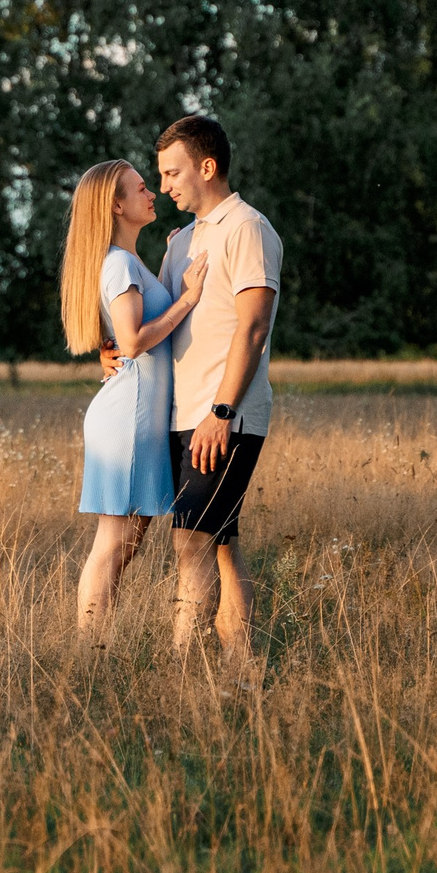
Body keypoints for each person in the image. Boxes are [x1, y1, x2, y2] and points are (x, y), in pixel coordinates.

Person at [109, 114, 282, 660]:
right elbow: (159, 319)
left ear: (207, 167)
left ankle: (182, 669)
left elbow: (252, 327)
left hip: (224, 417)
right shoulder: (180, 240)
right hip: (179, 416)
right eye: (159, 176)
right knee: (221, 544)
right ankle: (242, 670)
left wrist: (221, 411)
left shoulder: (249, 228)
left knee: (191, 541)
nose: (164, 186)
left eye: (172, 172)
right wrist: (112, 348)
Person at [60, 159, 209, 631]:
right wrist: (187, 297)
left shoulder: (126, 261)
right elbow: (131, 341)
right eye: (142, 188)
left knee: (125, 542)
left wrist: (170, 266)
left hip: (134, 416)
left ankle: (92, 648)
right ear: (117, 205)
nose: (153, 194)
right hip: (127, 417)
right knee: (114, 543)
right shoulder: (119, 263)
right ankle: (87, 653)